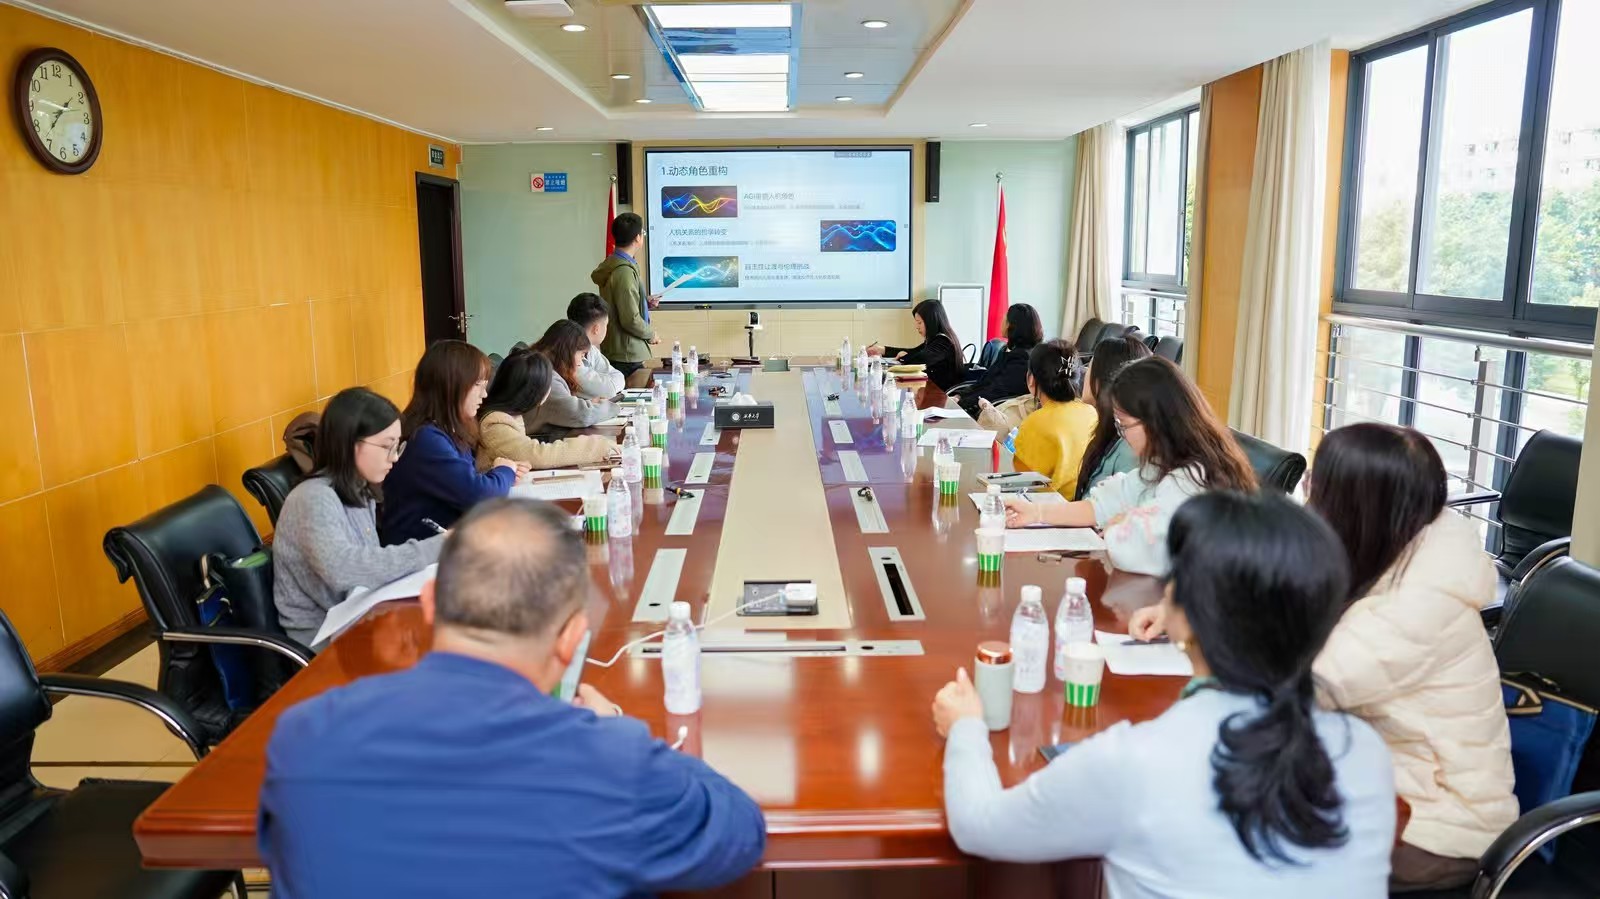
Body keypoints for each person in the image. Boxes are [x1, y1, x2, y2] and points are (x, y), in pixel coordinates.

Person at [260, 499, 767, 897]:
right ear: (571, 639)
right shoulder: (611, 763)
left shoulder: (303, 737)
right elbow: (740, 831)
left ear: (430, 603)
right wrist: (618, 732)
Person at [934, 492, 1396, 897]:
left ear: (1189, 614)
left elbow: (979, 826)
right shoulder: (1366, 753)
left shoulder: (1134, 761)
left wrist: (966, 727)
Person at [1306, 424, 1515, 891]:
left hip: (1438, 826)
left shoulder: (1419, 603)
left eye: (1317, 483)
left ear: (1352, 503)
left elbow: (1309, 686)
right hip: (1377, 779)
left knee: (1251, 844)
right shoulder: (1392, 548)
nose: (1308, 491)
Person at [1003, 356, 1255, 575]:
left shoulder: (1192, 478)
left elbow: (1137, 548)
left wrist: (1121, 525)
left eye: (1124, 425)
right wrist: (1036, 513)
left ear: (1154, 421)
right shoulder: (1162, 463)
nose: (1122, 436)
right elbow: (1105, 504)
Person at [272, 388, 443, 647]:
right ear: (350, 443)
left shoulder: (359, 490)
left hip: (359, 618)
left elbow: (367, 567)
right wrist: (434, 548)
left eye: (397, 446)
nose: (395, 457)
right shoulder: (313, 498)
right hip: (323, 640)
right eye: (386, 446)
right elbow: (344, 570)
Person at [379, 340, 525, 545]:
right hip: (420, 554)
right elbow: (481, 496)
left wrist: (499, 474)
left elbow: (466, 484)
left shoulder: (444, 429)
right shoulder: (426, 439)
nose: (484, 394)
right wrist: (504, 471)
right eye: (477, 385)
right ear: (451, 387)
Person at [478, 350, 618, 470]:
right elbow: (537, 455)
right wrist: (593, 447)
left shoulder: (509, 414)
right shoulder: (495, 424)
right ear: (533, 392)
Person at [1007, 340, 1098, 499]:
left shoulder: (1035, 423)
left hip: (1046, 506)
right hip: (1083, 504)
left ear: (1031, 379)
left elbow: (1023, 482)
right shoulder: (1092, 414)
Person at [1072, 333, 1155, 499]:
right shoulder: (1110, 433)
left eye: (1090, 367)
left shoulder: (1129, 448)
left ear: (1101, 381)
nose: (1085, 373)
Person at [592, 212, 660, 386]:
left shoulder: (615, 264)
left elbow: (621, 304)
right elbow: (630, 319)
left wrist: (644, 302)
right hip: (627, 354)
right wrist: (651, 334)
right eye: (643, 233)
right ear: (637, 238)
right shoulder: (624, 271)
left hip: (620, 349)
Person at [524, 320, 620, 434]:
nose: (580, 363)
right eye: (581, 355)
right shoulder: (547, 378)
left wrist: (590, 403)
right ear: (568, 352)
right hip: (537, 441)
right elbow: (581, 415)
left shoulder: (541, 367)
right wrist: (611, 407)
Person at [960, 303, 1042, 416]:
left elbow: (996, 392)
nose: (1001, 323)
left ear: (1012, 326)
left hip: (994, 414)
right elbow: (986, 381)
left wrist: (961, 403)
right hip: (984, 405)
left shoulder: (1022, 360)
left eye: (1005, 319)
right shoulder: (1009, 351)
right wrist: (960, 395)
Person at [866, 299, 965, 392]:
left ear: (931, 322)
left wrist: (904, 357)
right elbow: (915, 351)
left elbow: (920, 359)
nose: (917, 327)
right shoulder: (935, 339)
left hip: (940, 394)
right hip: (929, 387)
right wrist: (883, 350)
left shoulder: (943, 342)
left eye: (919, 322)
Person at [567, 292, 626, 400]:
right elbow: (609, 390)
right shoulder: (569, 354)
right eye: (606, 325)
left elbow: (618, 376)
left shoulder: (591, 349)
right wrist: (604, 382)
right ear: (596, 329)